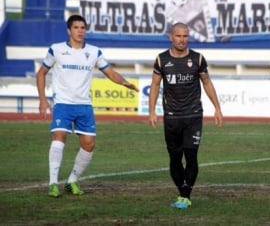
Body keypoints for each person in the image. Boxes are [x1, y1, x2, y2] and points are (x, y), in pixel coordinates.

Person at [36, 14, 139, 197]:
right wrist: (43, 99)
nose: (80, 31)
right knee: (59, 136)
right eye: (76, 27)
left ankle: (72, 181)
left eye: (83, 27)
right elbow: (41, 73)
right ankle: (53, 183)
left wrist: (124, 82)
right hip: (63, 103)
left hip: (84, 105)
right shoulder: (56, 49)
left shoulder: (94, 51)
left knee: (89, 144)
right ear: (69, 30)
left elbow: (109, 72)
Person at [148, 23, 223, 209]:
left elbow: (206, 82)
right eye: (178, 36)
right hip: (172, 117)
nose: (182, 39)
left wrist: (217, 108)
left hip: (193, 115)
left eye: (185, 36)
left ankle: (185, 195)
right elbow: (155, 85)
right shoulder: (161, 59)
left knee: (191, 155)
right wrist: (152, 111)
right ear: (171, 37)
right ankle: (182, 191)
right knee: (174, 158)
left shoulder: (197, 59)